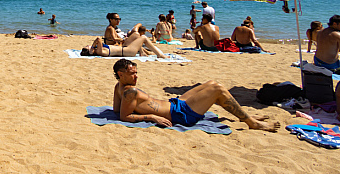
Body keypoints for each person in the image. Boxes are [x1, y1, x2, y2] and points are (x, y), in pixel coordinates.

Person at [112, 58, 279, 131]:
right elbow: (123, 116)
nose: (136, 76)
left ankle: (245, 114)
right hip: (179, 114)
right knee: (218, 89)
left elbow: (115, 109)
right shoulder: (130, 91)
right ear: (121, 74)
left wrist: (139, 110)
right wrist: (151, 117)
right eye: (132, 73)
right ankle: (251, 122)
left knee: (211, 84)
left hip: (175, 104)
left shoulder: (118, 87)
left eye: (136, 72)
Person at [82, 34, 167, 58]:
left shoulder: (98, 49)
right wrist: (92, 47)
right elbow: (98, 39)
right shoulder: (100, 52)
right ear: (90, 51)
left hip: (124, 48)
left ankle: (142, 52)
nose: (88, 45)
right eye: (88, 46)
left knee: (136, 35)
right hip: (128, 51)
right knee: (144, 37)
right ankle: (159, 54)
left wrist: (92, 47)